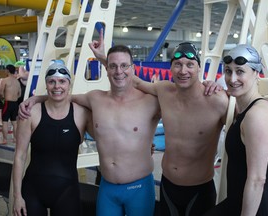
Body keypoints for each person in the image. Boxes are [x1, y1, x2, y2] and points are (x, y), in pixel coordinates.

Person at [90, 31, 228, 216]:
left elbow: (243, 120)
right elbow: (133, 81)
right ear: (171, 68)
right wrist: (103, 59)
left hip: (199, 189)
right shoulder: (164, 90)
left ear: (199, 68)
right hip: (168, 186)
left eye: (190, 65)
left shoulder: (216, 100)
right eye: (177, 64)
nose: (183, 70)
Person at [19, 46, 161, 216]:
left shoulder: (151, 102)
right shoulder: (95, 98)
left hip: (139, 188)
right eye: (113, 66)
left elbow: (180, 104)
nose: (119, 71)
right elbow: (61, 96)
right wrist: (36, 99)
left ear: (133, 68)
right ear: (106, 69)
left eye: (124, 66)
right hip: (107, 188)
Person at [203, 44, 268, 216]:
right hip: (238, 203)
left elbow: (257, 180)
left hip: (254, 210)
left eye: (240, 71)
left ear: (256, 73)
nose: (232, 79)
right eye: (228, 71)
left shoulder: (257, 116)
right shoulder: (245, 109)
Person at [12, 62, 93, 216]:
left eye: (62, 81)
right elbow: (20, 156)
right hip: (33, 190)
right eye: (52, 81)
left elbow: (107, 136)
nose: (57, 86)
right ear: (46, 84)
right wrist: (17, 196)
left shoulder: (82, 114)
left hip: (67, 192)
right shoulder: (30, 113)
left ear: (69, 84)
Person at [0, 64, 21, 144]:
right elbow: (19, 94)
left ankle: (5, 140)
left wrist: (3, 97)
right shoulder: (17, 82)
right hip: (15, 104)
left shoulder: (5, 80)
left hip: (7, 103)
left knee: (5, 121)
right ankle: (15, 139)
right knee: (14, 122)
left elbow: (1, 93)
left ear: (8, 70)